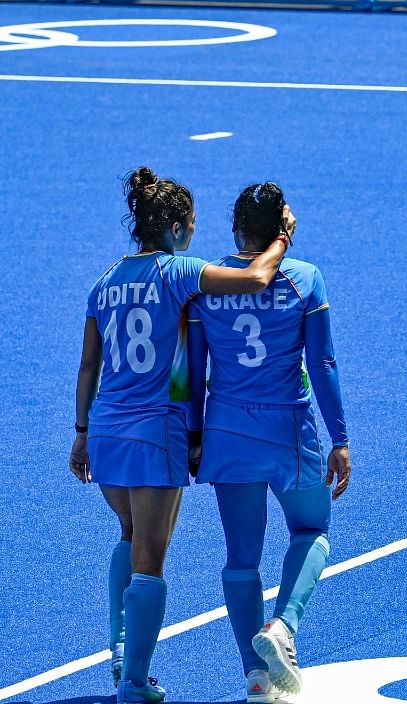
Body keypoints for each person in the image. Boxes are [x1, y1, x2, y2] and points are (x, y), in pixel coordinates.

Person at [69, 166, 293, 703]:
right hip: (154, 432)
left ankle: (122, 647)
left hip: (105, 431)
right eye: (189, 224)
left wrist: (80, 433)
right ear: (173, 227)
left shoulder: (106, 279)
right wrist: (283, 236)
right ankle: (133, 682)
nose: (193, 234)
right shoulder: (178, 271)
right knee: (151, 559)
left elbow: (88, 366)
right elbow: (256, 278)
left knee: (128, 534)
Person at [187, 183, 351, 702]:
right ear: (282, 229)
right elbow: (323, 365)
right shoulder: (305, 279)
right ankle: (283, 628)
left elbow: (191, 371)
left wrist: (193, 436)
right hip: (288, 431)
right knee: (312, 529)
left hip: (227, 432)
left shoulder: (205, 284)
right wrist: (341, 439)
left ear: (236, 229)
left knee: (240, 560)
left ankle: (255, 678)